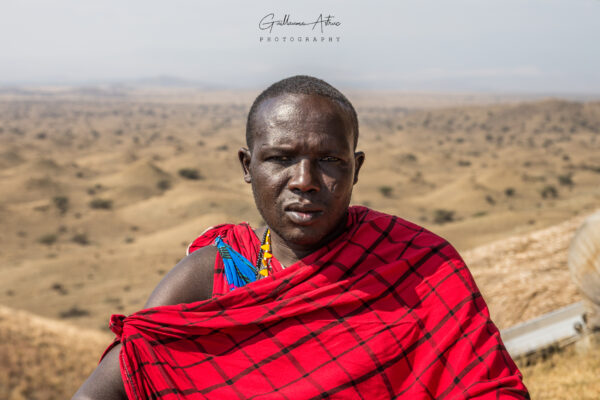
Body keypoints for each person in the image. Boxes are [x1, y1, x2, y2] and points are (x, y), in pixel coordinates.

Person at [73, 75, 529, 399]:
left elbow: (490, 389)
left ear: (357, 167)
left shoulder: (419, 264)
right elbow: (123, 379)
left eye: (330, 160)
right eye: (281, 158)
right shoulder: (207, 280)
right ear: (248, 167)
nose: (305, 180)